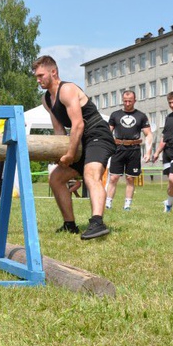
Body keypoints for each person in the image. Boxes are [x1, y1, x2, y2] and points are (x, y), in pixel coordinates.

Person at [33, 55, 116, 240]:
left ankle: (97, 223)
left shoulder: (67, 89)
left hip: (97, 134)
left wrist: (70, 154)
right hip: (80, 140)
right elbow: (59, 129)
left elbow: (77, 124)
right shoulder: (46, 99)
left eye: (41, 75)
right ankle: (69, 225)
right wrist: (59, 152)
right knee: (55, 178)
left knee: (90, 175)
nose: (38, 80)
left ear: (53, 72)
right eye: (36, 77)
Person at [105, 90, 153, 211]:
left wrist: (148, 152)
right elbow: (106, 132)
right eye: (125, 101)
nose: (127, 103)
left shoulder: (141, 116)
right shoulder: (115, 115)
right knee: (114, 177)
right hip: (118, 149)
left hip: (134, 149)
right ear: (122, 100)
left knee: (130, 178)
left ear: (135, 100)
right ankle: (108, 203)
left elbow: (148, 134)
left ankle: (127, 205)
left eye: (130, 101)